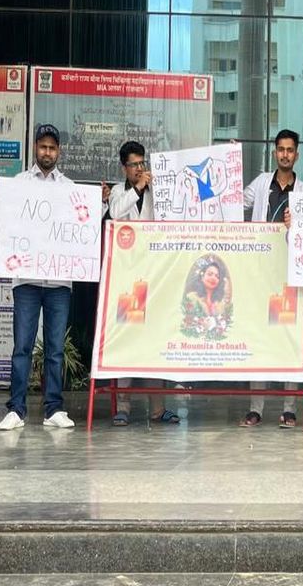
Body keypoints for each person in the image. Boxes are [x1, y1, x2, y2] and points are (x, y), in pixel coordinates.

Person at [0, 124, 98, 431]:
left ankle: (54, 409)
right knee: (22, 347)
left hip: (59, 282)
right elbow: (5, 221)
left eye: (52, 147)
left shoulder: (69, 187)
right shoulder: (18, 184)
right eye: (43, 146)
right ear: (35, 148)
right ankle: (16, 409)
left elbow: (82, 226)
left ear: (58, 151)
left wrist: (100, 203)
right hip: (26, 280)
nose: (47, 152)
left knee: (55, 349)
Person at [106, 140, 179, 427]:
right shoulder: (118, 192)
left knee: (154, 340)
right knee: (126, 338)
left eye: (141, 164)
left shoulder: (156, 191)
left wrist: (153, 188)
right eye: (133, 165)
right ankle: (123, 406)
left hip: (155, 275)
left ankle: (158, 408)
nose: (139, 169)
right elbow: (115, 213)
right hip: (126, 277)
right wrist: (137, 188)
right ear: (124, 167)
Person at [242, 129, 303, 429]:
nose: (285, 154)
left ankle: (289, 409)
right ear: (274, 153)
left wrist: (298, 225)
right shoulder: (260, 184)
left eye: (290, 150)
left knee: (287, 340)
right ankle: (255, 408)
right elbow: (233, 202)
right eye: (280, 149)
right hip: (260, 274)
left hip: (289, 274)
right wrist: (227, 164)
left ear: (297, 155)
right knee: (259, 339)